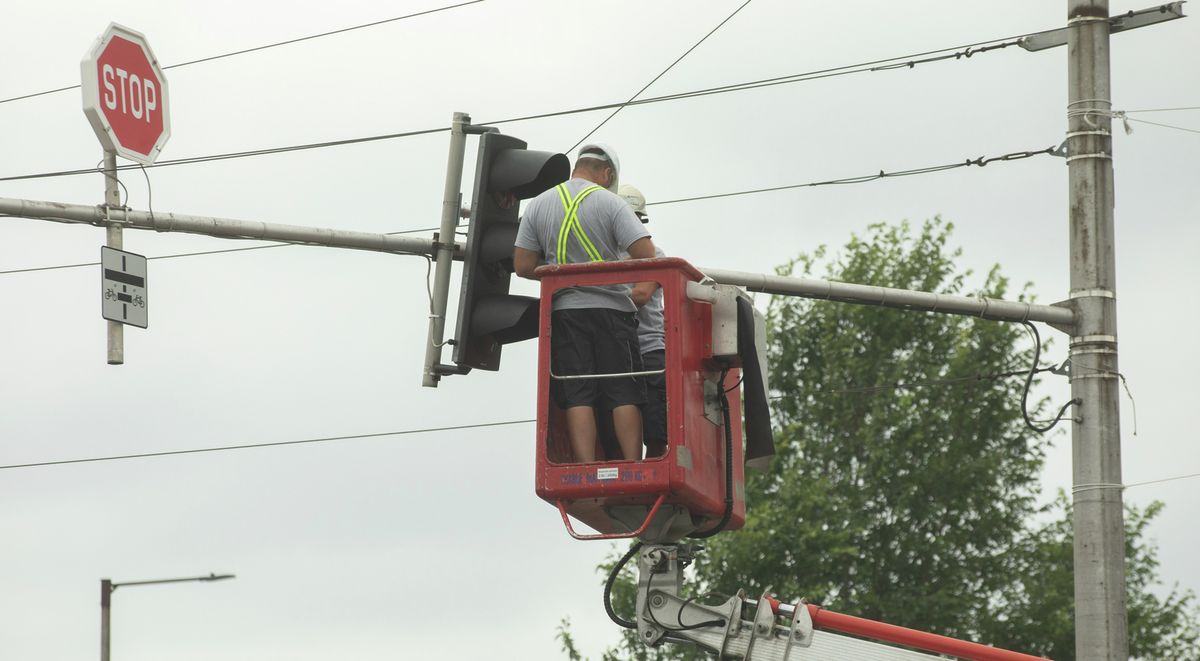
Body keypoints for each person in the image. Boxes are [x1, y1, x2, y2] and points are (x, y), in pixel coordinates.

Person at [513, 143, 658, 463]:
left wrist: (561, 274)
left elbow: (522, 265)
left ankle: (586, 466)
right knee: (623, 391)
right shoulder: (611, 203)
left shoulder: (539, 204)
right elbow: (648, 257)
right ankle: (632, 465)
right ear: (606, 174)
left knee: (578, 394)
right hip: (613, 313)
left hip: (565, 314)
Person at [618, 184, 668, 457]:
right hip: (617, 351)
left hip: (648, 350)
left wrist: (597, 293)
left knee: (657, 430)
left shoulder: (654, 255)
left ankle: (652, 471)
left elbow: (641, 295)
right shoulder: (605, 256)